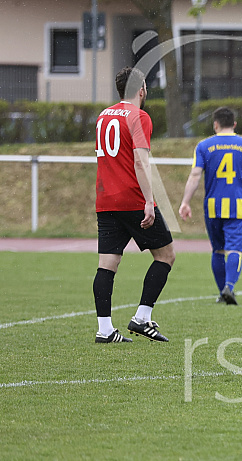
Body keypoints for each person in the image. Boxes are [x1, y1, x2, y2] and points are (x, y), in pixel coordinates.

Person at [93, 67, 175, 343]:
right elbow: (140, 160)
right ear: (141, 90)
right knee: (165, 256)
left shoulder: (103, 116)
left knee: (107, 265)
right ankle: (141, 317)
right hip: (132, 198)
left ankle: (104, 330)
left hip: (106, 199)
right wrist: (149, 201)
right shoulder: (139, 116)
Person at [178, 107, 242, 304]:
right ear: (234, 124)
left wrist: (185, 202)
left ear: (215, 124)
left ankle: (222, 293)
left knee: (218, 250)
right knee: (234, 249)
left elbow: (195, 175)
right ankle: (230, 286)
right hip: (237, 206)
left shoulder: (203, 146)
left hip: (213, 207)